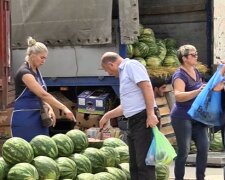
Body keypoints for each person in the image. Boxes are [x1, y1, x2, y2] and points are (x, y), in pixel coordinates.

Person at [99, 52, 159, 180]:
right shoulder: (124, 73)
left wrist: (150, 114)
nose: (109, 74)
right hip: (134, 120)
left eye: (107, 70)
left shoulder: (131, 65)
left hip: (144, 119)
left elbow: (146, 86)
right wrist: (107, 116)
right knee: (135, 165)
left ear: (111, 64)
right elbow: (126, 106)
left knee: (144, 164)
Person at [11, 36, 76, 142]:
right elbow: (43, 94)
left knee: (42, 151)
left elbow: (39, 96)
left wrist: (48, 107)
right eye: (42, 58)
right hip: (25, 119)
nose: (44, 61)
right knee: (26, 152)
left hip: (39, 118)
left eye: (45, 58)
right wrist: (64, 108)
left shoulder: (36, 70)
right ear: (32, 55)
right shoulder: (25, 73)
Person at [170, 44, 208, 180]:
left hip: (197, 117)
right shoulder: (179, 75)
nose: (196, 56)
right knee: (184, 152)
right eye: (193, 54)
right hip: (182, 117)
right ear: (184, 58)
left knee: (203, 149)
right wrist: (197, 91)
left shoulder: (196, 71)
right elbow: (178, 95)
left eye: (196, 53)